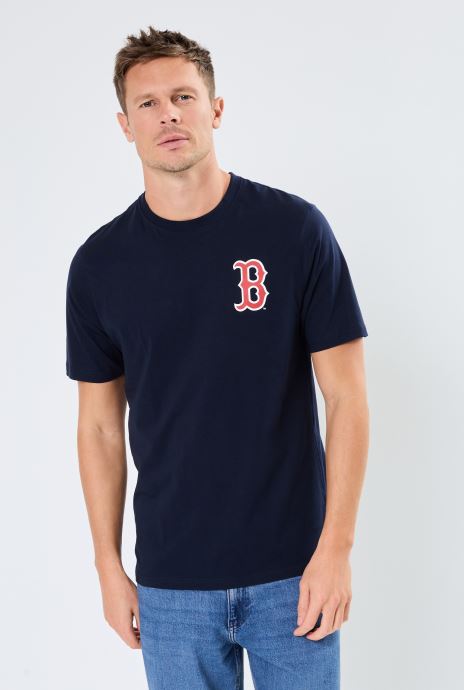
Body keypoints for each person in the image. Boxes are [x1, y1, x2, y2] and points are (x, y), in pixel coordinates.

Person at [65, 25, 370, 690]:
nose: (168, 115)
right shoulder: (100, 265)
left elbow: (347, 396)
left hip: (296, 574)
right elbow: (98, 427)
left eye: (183, 96)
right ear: (125, 125)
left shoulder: (293, 231)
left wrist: (336, 550)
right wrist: (108, 566)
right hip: (172, 585)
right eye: (147, 103)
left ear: (216, 108)